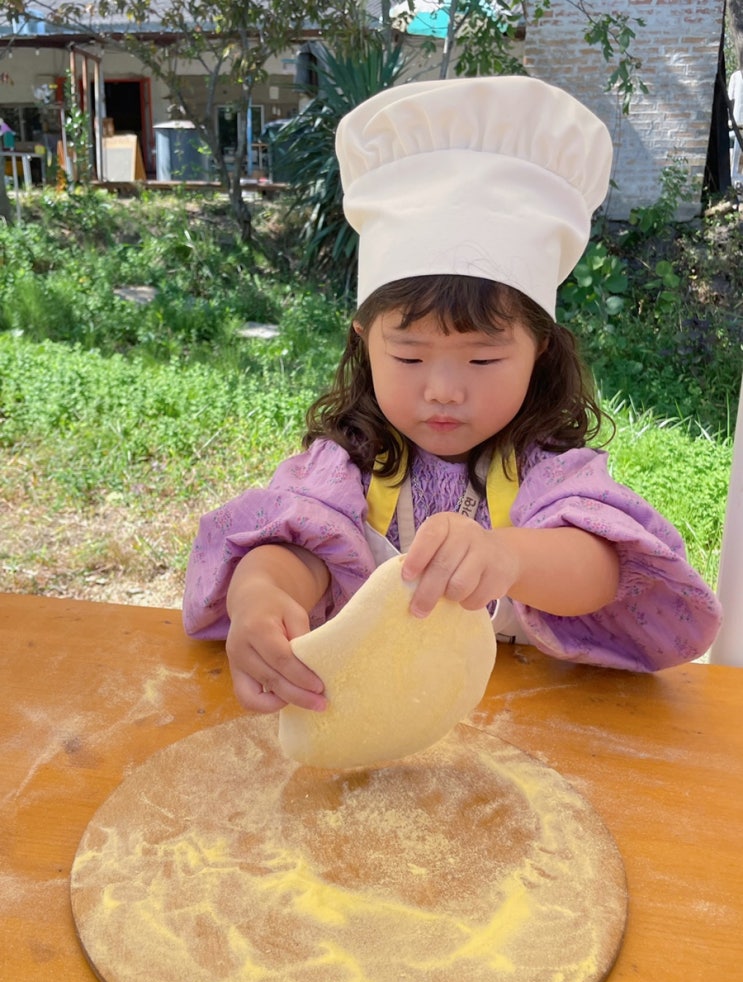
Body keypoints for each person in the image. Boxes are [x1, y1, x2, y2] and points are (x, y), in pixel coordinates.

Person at [183, 76, 722, 713]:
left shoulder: (545, 470)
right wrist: (261, 597)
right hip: (368, 715)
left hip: (521, 721)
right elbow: (296, 546)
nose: (443, 391)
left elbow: (603, 568)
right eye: (408, 355)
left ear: (539, 349)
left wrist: (509, 555)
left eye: (485, 357)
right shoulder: (348, 463)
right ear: (363, 340)